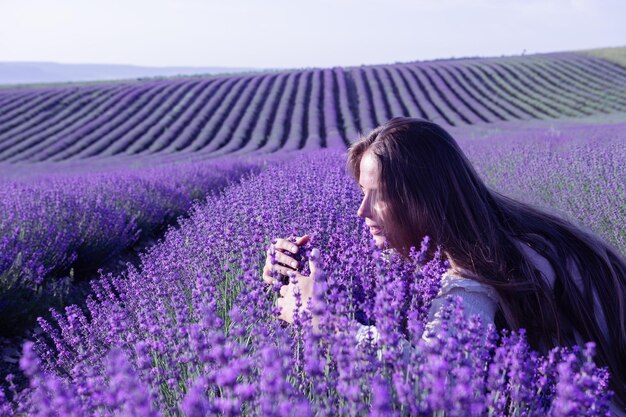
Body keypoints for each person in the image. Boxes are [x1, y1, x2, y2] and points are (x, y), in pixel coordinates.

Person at [261, 117, 626, 413]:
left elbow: (432, 380)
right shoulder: (509, 231)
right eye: (362, 193)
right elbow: (397, 270)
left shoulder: (483, 271)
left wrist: (324, 320)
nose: (362, 212)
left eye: (381, 196)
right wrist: (297, 270)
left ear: (424, 202)